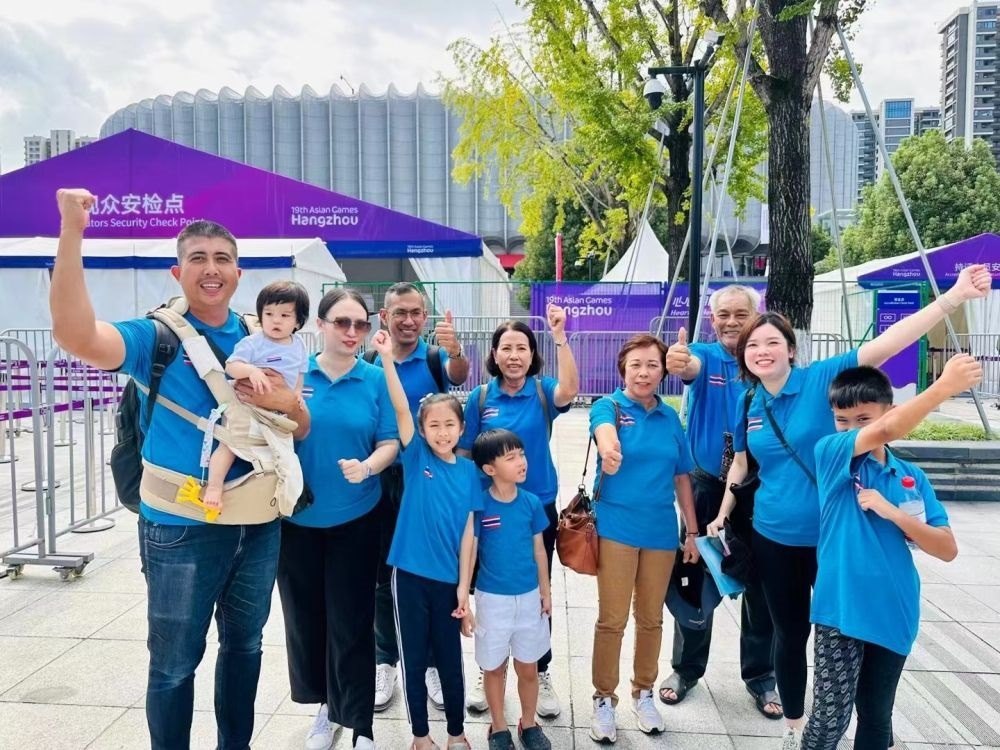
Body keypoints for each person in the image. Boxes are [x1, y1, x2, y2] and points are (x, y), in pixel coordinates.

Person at [49, 189, 310, 750]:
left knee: (245, 649)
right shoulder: (156, 338)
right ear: (177, 271)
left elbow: (299, 425)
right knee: (173, 664)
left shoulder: (262, 335)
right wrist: (72, 232)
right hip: (179, 526)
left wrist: (289, 403)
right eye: (198, 258)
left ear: (238, 273)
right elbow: (77, 336)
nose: (211, 269)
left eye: (222, 259)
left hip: (258, 523)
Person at [707, 263, 992, 750]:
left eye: (772, 342)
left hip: (834, 535)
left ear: (791, 349)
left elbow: (889, 343)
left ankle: (856, 713)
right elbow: (742, 463)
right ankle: (795, 726)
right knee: (788, 634)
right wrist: (724, 511)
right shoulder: (749, 401)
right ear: (743, 355)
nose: (762, 350)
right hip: (774, 535)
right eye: (752, 345)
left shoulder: (821, 379)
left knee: (841, 632)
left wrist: (954, 297)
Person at [801, 355, 978, 750]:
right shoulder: (831, 453)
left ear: (888, 409)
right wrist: (944, 387)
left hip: (894, 610)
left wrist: (893, 512)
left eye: (863, 419)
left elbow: (946, 548)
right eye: (842, 420)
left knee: (877, 715)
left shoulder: (910, 477)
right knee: (829, 719)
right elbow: (886, 430)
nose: (853, 428)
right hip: (840, 610)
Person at [276, 288, 399, 750]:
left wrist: (368, 467)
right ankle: (327, 707)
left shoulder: (374, 379)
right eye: (342, 322)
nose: (352, 332)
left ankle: (361, 723)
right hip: (297, 520)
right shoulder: (293, 373)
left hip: (357, 519)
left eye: (360, 324)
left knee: (352, 621)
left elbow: (390, 441)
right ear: (320, 325)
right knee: (306, 620)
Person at [661, 285, 780, 719]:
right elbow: (687, 364)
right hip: (707, 485)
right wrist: (678, 361)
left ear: (756, 315)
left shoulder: (767, 361)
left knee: (762, 586)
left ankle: (762, 676)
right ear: (712, 321)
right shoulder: (705, 355)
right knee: (694, 575)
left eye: (740, 314)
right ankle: (686, 669)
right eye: (723, 315)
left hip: (760, 489)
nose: (731, 322)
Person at [458, 305, 579, 717]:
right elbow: (466, 454)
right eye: (506, 348)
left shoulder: (543, 391)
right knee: (489, 588)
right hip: (490, 508)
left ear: (532, 354)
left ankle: (540, 671)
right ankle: (488, 668)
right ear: (494, 354)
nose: (514, 355)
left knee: (538, 588)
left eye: (522, 348)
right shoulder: (481, 397)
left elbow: (570, 390)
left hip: (536, 505)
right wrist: (468, 505)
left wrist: (560, 337)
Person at [588, 333, 701, 744]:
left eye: (652, 365)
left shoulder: (670, 418)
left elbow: (682, 477)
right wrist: (609, 451)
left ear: (663, 371)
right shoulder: (609, 406)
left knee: (652, 618)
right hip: (616, 528)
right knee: (612, 618)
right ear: (624, 369)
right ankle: (604, 698)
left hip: (660, 532)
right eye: (636, 364)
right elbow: (604, 432)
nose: (644, 372)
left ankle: (644, 692)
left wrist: (692, 531)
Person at [371, 328, 480, 750]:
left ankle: (456, 733)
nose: (442, 432)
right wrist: (386, 358)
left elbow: (469, 534)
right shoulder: (416, 457)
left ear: (461, 428)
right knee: (414, 660)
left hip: (448, 581)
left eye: (449, 425)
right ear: (421, 430)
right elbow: (401, 407)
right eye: (433, 425)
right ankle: (420, 736)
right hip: (410, 577)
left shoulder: (469, 472)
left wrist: (464, 587)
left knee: (450, 661)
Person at [470, 429, 553, 750]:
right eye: (511, 457)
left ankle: (528, 723)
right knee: (493, 668)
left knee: (528, 667)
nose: (521, 462)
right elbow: (470, 550)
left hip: (529, 598)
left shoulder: (531, 503)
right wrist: (463, 592)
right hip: (492, 600)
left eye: (522, 454)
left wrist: (545, 591)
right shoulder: (481, 505)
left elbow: (540, 551)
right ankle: (499, 727)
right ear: (489, 468)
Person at [204, 280, 310, 512]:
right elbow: (231, 366)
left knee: (282, 455)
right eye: (269, 313)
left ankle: (283, 501)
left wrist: (296, 394)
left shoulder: (299, 345)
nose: (276, 320)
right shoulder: (253, 343)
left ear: (298, 321)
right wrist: (251, 371)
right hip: (246, 405)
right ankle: (214, 487)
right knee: (230, 445)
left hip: (276, 413)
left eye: (285, 315)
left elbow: (300, 373)